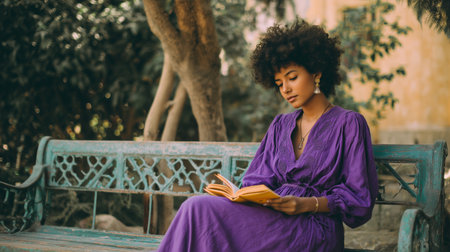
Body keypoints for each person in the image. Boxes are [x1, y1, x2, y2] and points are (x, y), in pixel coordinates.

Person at [157, 20, 378, 252]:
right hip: (271, 216)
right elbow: (257, 180)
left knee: (201, 214)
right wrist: (246, 195)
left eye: (292, 78)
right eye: (279, 82)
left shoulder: (349, 123)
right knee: (197, 207)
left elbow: (359, 201)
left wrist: (306, 204)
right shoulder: (281, 125)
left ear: (316, 72)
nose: (285, 89)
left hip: (313, 224)